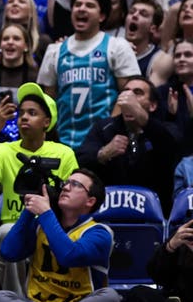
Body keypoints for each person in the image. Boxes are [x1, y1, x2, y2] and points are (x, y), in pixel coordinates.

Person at [0, 83, 78, 296]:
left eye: (32, 113)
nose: (24, 117)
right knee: (5, 233)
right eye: (21, 113)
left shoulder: (64, 153)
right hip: (15, 225)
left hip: (52, 225)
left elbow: (75, 197)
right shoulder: (4, 150)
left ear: (47, 122)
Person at [0, 169, 120, 302]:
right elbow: (8, 252)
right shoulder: (41, 224)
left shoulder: (99, 232)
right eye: (66, 183)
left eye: (75, 184)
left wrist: (45, 213)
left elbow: (69, 256)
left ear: (90, 201)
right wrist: (29, 210)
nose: (66, 187)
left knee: (109, 297)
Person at [37, 0, 140, 148]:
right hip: (63, 143)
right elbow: (49, 99)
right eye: (77, 5)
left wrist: (109, 132)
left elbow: (127, 95)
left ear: (102, 16)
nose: (82, 9)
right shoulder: (54, 50)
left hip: (104, 142)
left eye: (90, 6)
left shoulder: (117, 46)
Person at [77, 76, 180, 210]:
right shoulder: (105, 128)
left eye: (137, 93)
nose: (129, 98)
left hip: (155, 213)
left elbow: (171, 144)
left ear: (153, 105)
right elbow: (81, 158)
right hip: (108, 210)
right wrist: (102, 154)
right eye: (126, 92)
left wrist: (138, 113)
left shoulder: (165, 128)